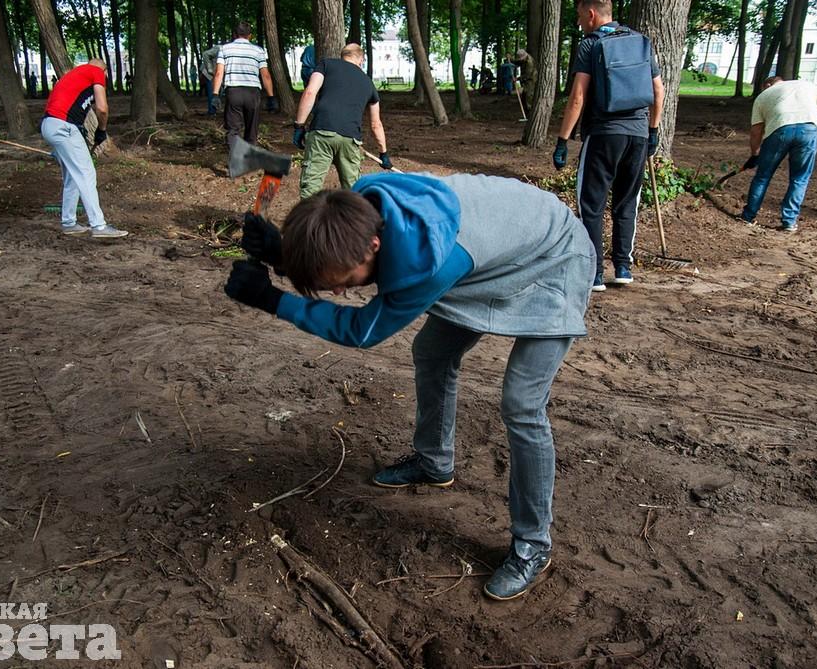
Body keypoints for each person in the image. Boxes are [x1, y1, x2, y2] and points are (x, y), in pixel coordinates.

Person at [224, 171, 596, 600]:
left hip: (555, 256)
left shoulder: (425, 263)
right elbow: (345, 265)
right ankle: (434, 461)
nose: (340, 292)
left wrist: (272, 299)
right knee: (432, 352)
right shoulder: (358, 210)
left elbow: (362, 329)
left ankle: (533, 544)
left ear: (374, 246)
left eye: (344, 282)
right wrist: (285, 254)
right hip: (493, 249)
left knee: (522, 402)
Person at [552, 0, 664, 291]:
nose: (579, 22)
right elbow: (658, 89)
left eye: (580, 16)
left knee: (591, 204)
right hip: (638, 136)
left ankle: (595, 273)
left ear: (591, 14)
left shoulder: (590, 45)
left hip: (603, 135)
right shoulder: (640, 41)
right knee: (627, 203)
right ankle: (623, 267)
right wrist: (653, 130)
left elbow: (578, 97)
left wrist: (563, 140)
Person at [40, 58, 127, 238]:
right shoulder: (96, 72)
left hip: (49, 125)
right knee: (86, 173)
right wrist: (101, 130)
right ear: (104, 71)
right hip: (64, 127)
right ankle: (99, 226)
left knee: (73, 175)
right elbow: (102, 108)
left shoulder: (72, 75)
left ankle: (69, 223)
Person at [738, 76, 817, 233]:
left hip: (779, 131)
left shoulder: (764, 95)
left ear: (767, 85)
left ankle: (748, 216)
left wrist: (755, 153)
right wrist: (814, 130)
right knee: (800, 178)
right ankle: (789, 222)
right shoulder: (806, 85)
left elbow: (756, 130)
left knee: (762, 177)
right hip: (808, 130)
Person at [293, 43, 390, 198]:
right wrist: (383, 153)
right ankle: (354, 214)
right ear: (361, 60)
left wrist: (299, 126)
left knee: (311, 188)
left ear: (343, 55)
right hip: (350, 138)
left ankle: (309, 214)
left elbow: (310, 92)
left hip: (322, 131)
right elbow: (376, 124)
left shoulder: (326, 64)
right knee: (354, 192)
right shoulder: (369, 83)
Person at [212, 21, 277, 148]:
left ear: (234, 34)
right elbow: (266, 75)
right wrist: (271, 97)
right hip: (253, 93)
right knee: (251, 130)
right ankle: (249, 157)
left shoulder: (224, 49)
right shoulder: (258, 51)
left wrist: (215, 94)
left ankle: (235, 159)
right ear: (250, 36)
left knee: (233, 130)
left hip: (233, 92)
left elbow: (219, 73)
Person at [511, 49, 535, 117]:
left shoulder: (529, 63)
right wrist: (511, 60)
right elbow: (518, 62)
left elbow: (527, 75)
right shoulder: (524, 59)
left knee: (528, 97)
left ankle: (530, 115)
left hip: (531, 80)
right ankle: (526, 114)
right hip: (526, 80)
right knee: (524, 97)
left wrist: (517, 79)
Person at [200, 44, 220, 115]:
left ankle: (214, 110)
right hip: (209, 74)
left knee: (217, 92)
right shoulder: (219, 49)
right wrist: (210, 69)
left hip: (217, 74)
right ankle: (212, 112)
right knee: (212, 92)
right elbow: (205, 54)